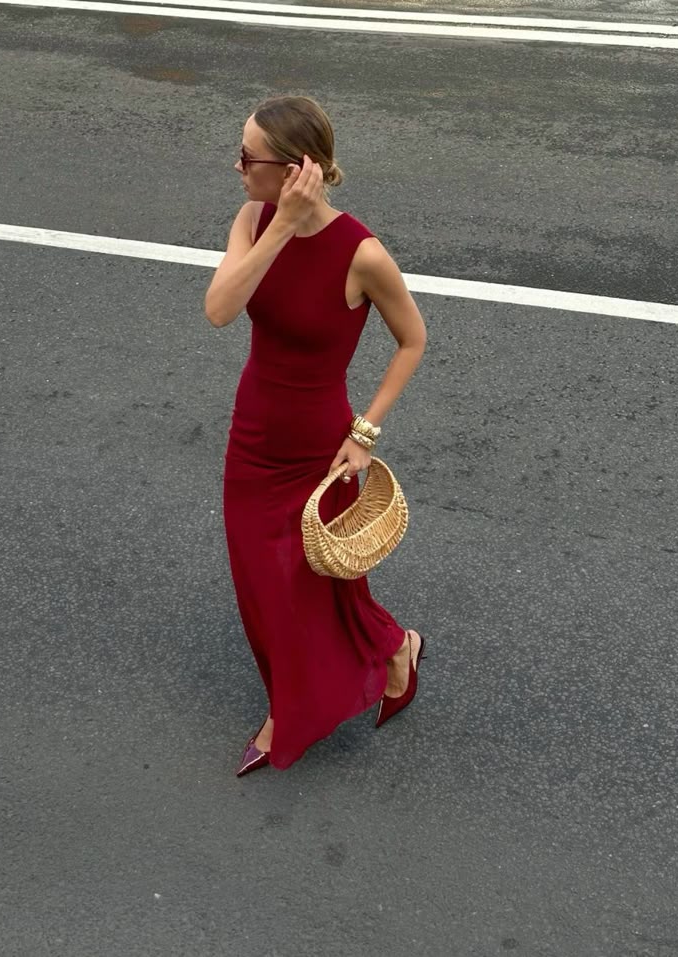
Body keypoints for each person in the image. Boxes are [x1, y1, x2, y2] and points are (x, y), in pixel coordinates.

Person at [204, 95, 428, 776]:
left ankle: (313, 696)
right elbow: (219, 310)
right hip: (254, 434)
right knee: (260, 580)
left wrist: (365, 432)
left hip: (320, 446)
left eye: (250, 158)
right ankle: (389, 652)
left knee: (318, 580)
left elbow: (412, 340)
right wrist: (279, 228)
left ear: (296, 169)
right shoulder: (252, 219)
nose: (237, 165)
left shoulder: (361, 253)